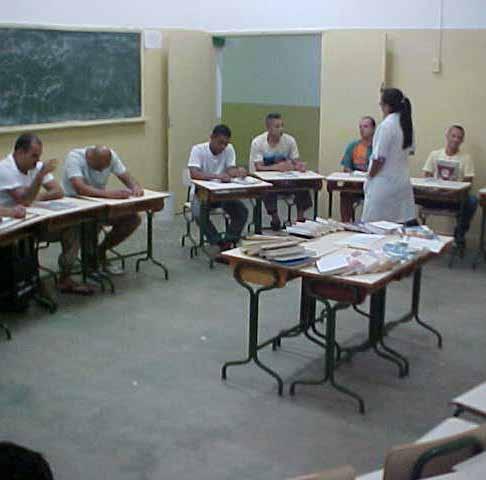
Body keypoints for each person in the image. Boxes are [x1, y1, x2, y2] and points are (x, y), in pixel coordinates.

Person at [0, 133, 93, 295]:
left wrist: (36, 197)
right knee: (24, 243)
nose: (37, 160)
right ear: (20, 152)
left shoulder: (36, 166)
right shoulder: (5, 169)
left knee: (72, 227)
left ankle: (65, 277)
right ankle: (29, 281)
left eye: (39, 156)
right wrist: (39, 179)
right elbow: (24, 200)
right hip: (11, 226)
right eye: (33, 156)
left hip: (34, 220)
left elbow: (58, 191)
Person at [62, 145, 143, 275]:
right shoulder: (74, 158)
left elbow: (126, 176)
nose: (102, 170)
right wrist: (110, 194)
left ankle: (101, 251)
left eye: (105, 166)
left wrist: (135, 187)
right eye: (99, 167)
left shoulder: (110, 156)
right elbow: (80, 188)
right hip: (76, 207)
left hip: (99, 204)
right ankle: (90, 262)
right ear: (89, 158)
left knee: (132, 219)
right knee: (89, 224)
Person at [188, 124, 248, 255]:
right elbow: (194, 173)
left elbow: (230, 169)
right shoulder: (198, 150)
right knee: (198, 213)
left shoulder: (229, 149)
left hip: (222, 193)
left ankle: (229, 240)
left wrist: (238, 172)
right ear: (211, 138)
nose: (223, 147)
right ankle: (217, 242)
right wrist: (217, 176)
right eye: (220, 143)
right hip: (202, 194)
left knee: (241, 211)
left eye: (226, 144)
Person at [361, 88, 416, 225]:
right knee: (397, 227)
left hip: (384, 185)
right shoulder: (406, 124)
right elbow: (410, 151)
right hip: (401, 183)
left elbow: (379, 158)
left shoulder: (386, 125)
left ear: (387, 106)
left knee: (374, 228)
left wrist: (370, 176)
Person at [249, 113, 312, 230]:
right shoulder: (258, 142)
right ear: (268, 128)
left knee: (304, 183)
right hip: (268, 180)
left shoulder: (290, 140)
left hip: (286, 179)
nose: (281, 129)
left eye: (282, 126)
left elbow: (295, 160)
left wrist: (299, 166)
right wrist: (277, 167)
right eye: (277, 126)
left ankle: (300, 218)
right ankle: (275, 218)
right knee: (267, 187)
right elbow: (258, 167)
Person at [422, 125, 477, 246]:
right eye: (453, 136)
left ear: (462, 140)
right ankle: (416, 233)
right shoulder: (435, 154)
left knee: (472, 200)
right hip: (435, 196)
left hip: (455, 199)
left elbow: (469, 181)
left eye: (459, 137)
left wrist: (454, 192)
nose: (456, 139)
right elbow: (426, 175)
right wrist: (433, 189)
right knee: (409, 195)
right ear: (447, 136)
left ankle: (460, 234)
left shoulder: (466, 158)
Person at [340, 116, 375, 222]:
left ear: (373, 129)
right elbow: (346, 167)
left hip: (373, 186)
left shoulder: (378, 147)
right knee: (345, 191)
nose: (362, 129)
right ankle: (346, 223)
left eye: (365, 126)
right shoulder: (353, 146)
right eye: (360, 127)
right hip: (356, 185)